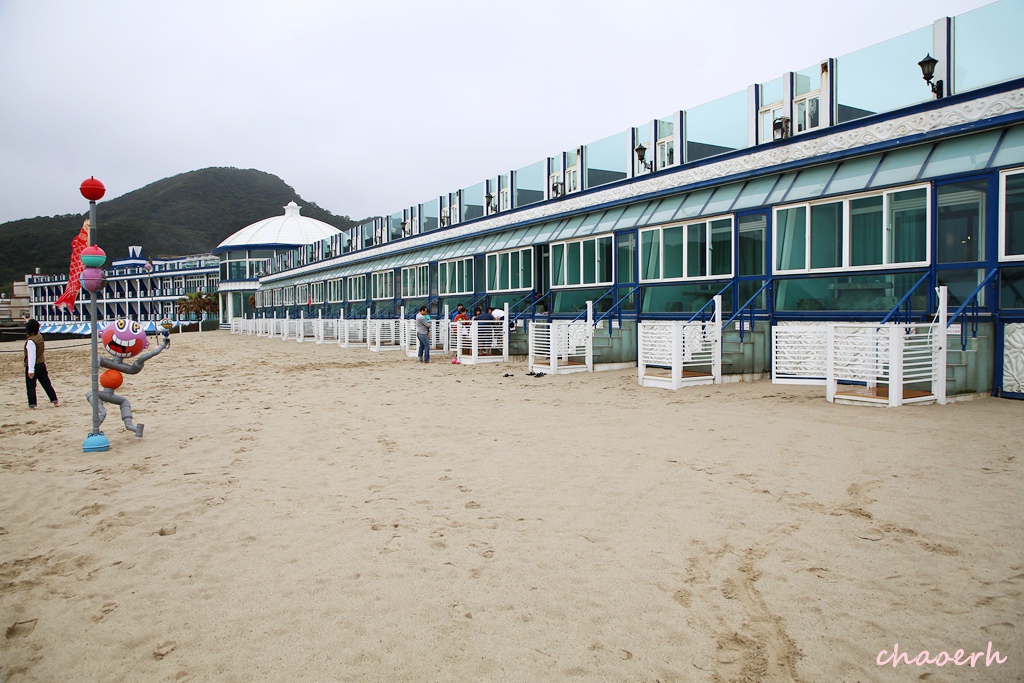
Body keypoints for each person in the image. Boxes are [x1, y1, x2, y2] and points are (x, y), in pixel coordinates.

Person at [24, 319, 59, 409]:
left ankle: (32, 404)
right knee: (46, 384)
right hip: (41, 364)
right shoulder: (39, 336)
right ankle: (55, 400)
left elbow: (31, 356)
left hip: (34, 365)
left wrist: (31, 370)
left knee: (31, 386)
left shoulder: (30, 341)